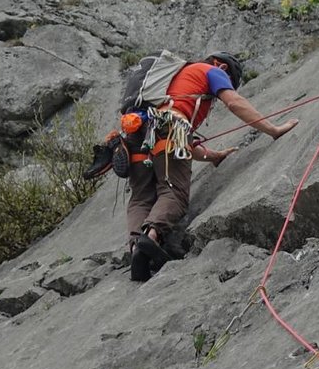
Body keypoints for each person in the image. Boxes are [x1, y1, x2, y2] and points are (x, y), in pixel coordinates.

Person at [126, 52, 297, 282]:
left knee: (141, 198)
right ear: (223, 67)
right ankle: (151, 237)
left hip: (136, 135)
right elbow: (234, 103)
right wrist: (272, 130)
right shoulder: (212, 71)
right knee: (173, 193)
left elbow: (183, 145)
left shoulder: (171, 84)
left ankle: (135, 249)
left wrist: (213, 156)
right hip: (168, 128)